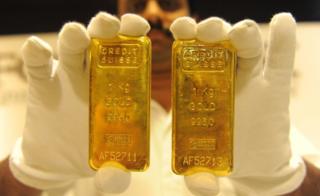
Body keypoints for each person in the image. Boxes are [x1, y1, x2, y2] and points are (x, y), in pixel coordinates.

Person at [0, 0, 319, 195]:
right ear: (118, 21)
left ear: (193, 17)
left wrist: (287, 179)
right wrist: (26, 170)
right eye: (137, 7)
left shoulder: (238, 104)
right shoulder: (81, 109)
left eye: (167, 3)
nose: (152, 12)